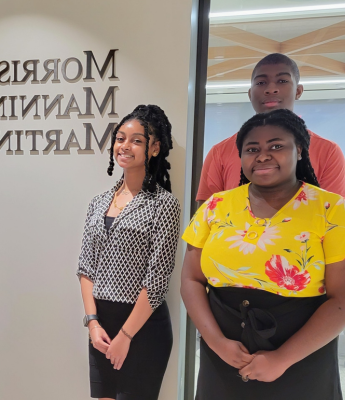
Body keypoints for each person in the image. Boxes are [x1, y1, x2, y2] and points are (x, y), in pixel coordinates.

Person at [182, 109, 345, 399]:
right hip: (223, 355)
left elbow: (341, 299)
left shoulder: (331, 209)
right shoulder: (216, 206)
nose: (263, 155)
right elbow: (191, 279)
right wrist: (216, 342)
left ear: (299, 151)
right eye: (252, 149)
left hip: (301, 357)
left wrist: (281, 359)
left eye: (276, 146)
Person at [77, 105, 180, 400]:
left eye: (136, 140)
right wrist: (92, 323)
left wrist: (126, 336)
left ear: (155, 148)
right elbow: (85, 268)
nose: (124, 146)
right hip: (101, 326)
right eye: (120, 138)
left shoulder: (164, 205)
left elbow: (158, 280)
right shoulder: (98, 202)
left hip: (143, 330)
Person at [197, 53, 345, 202]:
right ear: (250, 94)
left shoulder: (328, 151)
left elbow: (334, 215)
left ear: (298, 91)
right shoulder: (219, 152)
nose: (271, 89)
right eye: (261, 83)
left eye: (282, 81)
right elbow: (206, 217)